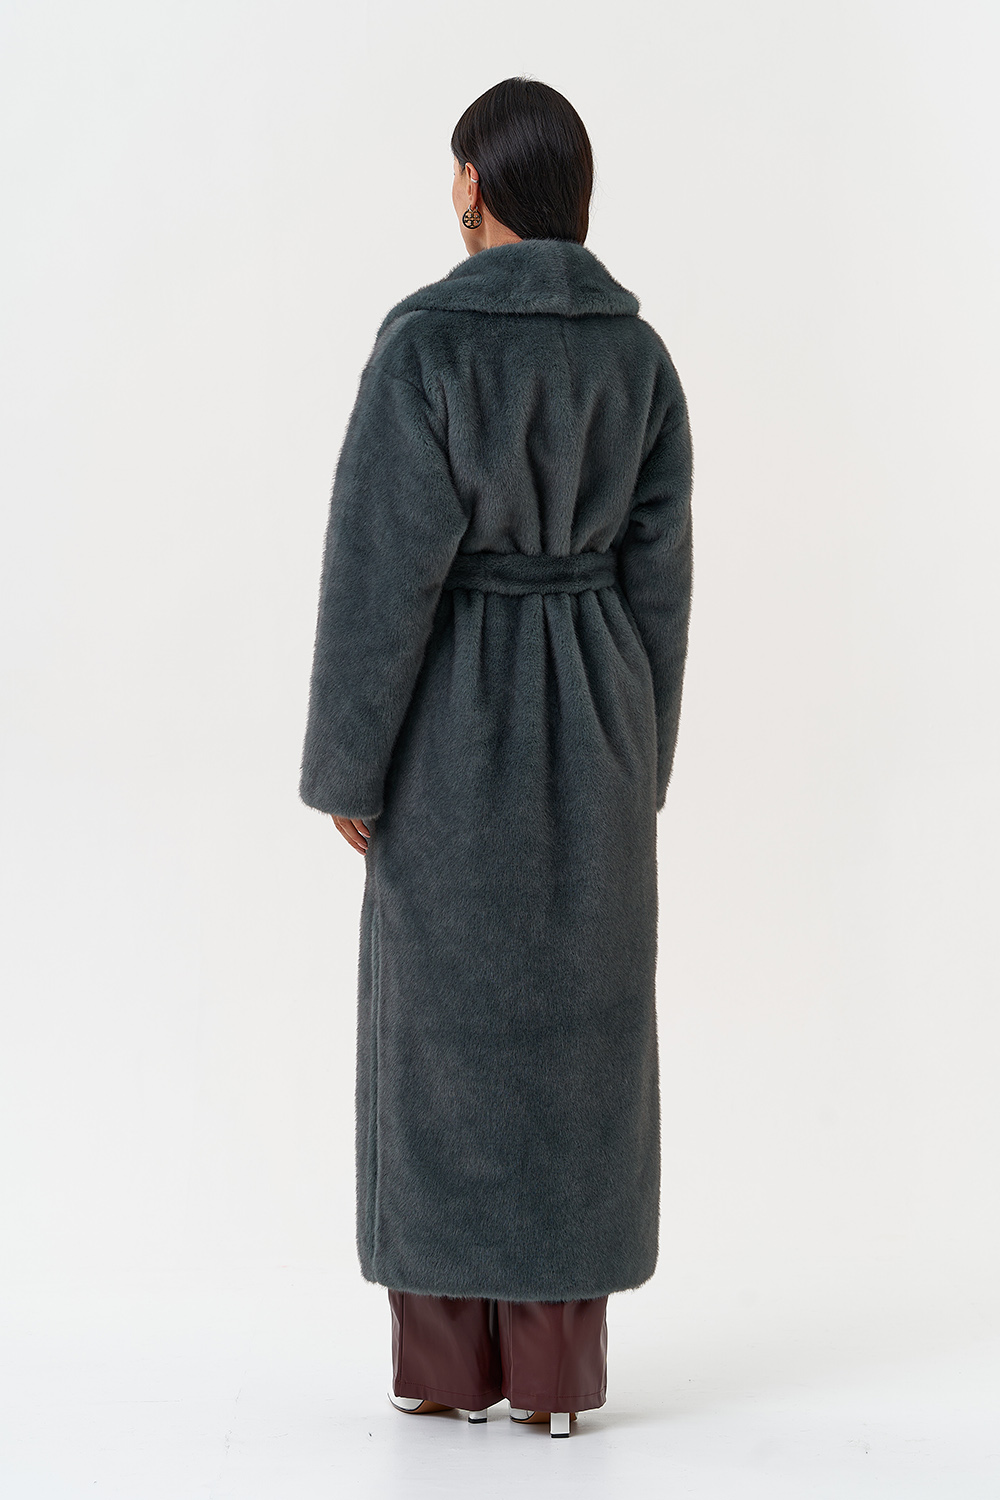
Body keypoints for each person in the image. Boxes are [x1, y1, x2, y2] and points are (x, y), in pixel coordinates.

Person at [299, 77, 694, 1437]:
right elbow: (661, 583)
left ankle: (447, 1372)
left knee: (438, 1041)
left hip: (448, 726)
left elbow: (377, 573)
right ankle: (556, 1383)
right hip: (599, 715)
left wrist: (349, 766)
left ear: (474, 182)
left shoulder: (426, 345)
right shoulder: (637, 356)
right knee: (584, 1044)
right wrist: (641, 760)